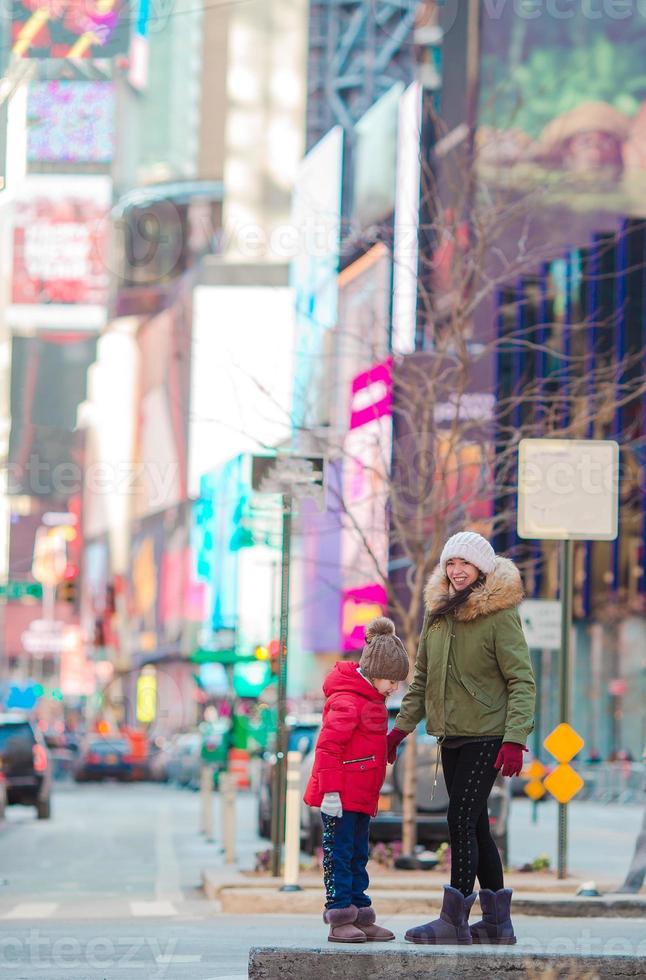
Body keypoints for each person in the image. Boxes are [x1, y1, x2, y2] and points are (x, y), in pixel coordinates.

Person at [387, 531, 536, 946]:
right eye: (451, 563)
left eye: (464, 564)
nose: (455, 571)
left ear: (481, 569)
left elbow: (522, 681)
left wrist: (515, 738)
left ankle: (454, 920)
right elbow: (421, 681)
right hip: (450, 735)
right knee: (476, 826)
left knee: (458, 820)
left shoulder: (499, 615)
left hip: (487, 734)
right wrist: (399, 729)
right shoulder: (437, 614)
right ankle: (496, 924)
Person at [303, 617, 410, 943]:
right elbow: (328, 747)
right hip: (341, 798)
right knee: (339, 856)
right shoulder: (348, 701)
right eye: (391, 680)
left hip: (361, 796)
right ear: (375, 672)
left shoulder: (371, 700)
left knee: (358, 856)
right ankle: (340, 917)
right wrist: (331, 792)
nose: (395, 687)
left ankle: (361, 914)